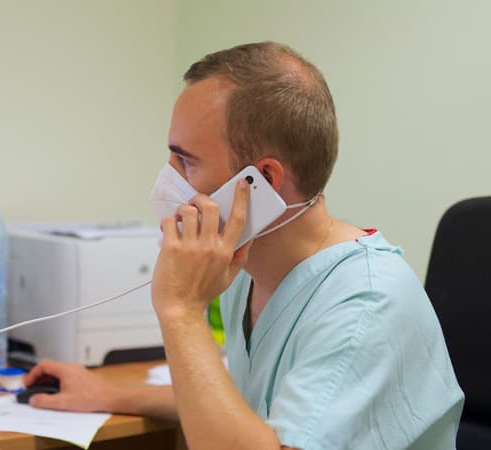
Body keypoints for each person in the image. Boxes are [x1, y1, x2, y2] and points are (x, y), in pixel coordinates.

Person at [23, 42, 464, 450]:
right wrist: (107, 393)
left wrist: (180, 312)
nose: (169, 178)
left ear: (262, 183)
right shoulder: (247, 265)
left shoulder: (365, 304)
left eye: (185, 160)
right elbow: (239, 410)